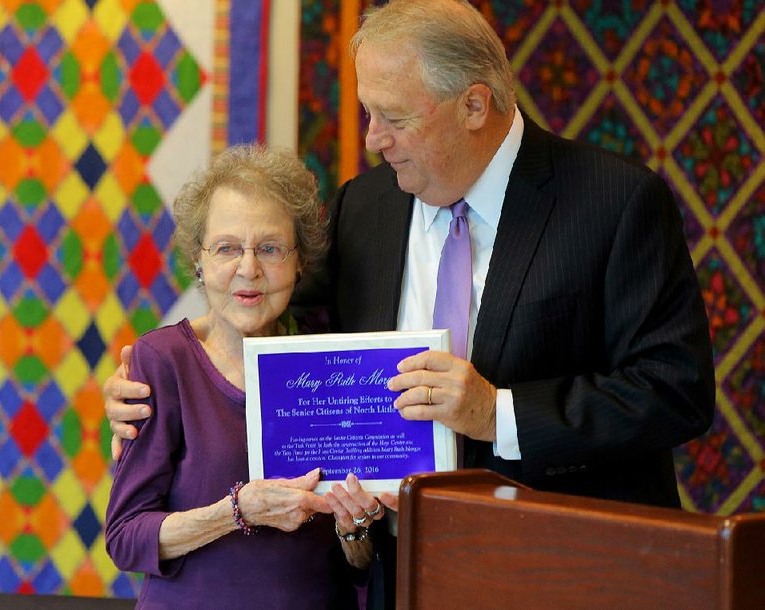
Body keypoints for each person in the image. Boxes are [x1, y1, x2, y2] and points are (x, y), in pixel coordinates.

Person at [105, 0, 715, 607]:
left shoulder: (615, 202)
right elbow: (259, 305)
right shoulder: (364, 207)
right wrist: (154, 378)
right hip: (399, 577)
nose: (373, 139)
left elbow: (675, 391)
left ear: (474, 105)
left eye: (393, 117)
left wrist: (496, 413)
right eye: (368, 113)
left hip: (562, 573)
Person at [104, 145, 382, 609]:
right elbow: (126, 538)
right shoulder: (163, 360)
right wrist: (236, 512)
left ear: (299, 261)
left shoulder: (333, 359)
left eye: (269, 248)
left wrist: (354, 530)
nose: (248, 269)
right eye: (228, 248)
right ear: (199, 259)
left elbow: (359, 564)